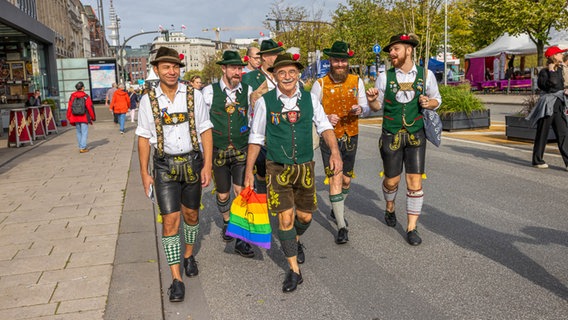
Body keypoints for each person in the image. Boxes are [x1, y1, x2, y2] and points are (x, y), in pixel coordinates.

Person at [244, 53, 342, 293]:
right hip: (277, 168)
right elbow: (256, 138)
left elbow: (325, 126)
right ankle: (293, 271)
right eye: (281, 72)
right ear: (275, 76)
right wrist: (248, 171)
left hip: (305, 167)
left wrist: (335, 152)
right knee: (285, 218)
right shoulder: (265, 102)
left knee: (305, 217)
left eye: (291, 72)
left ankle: (293, 241)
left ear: (298, 75)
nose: (287, 76)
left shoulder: (309, 99)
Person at [136, 46, 213, 302]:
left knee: (191, 214)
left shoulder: (194, 95)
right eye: (166, 67)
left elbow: (206, 130)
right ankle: (176, 279)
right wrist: (144, 173)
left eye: (175, 66)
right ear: (156, 70)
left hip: (192, 162)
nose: (172, 71)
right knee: (170, 221)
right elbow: (144, 138)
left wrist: (208, 165)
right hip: (164, 167)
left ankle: (189, 254)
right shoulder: (148, 99)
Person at [366, 33, 442, 246]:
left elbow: (438, 99)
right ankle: (390, 206)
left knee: (414, 182)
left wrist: (430, 103)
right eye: (390, 50)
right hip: (391, 135)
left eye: (395, 49)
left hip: (416, 135)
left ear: (409, 50)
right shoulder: (384, 77)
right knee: (392, 180)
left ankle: (411, 227)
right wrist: (372, 101)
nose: (391, 53)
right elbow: (376, 107)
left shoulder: (426, 75)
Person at [310, 41, 370, 244]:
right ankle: (342, 227)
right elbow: (311, 112)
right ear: (330, 61)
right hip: (330, 137)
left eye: (343, 60)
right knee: (335, 177)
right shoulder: (320, 84)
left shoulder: (356, 81)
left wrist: (360, 110)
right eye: (336, 60)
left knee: (346, 180)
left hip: (352, 134)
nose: (340, 64)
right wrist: (326, 116)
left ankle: (337, 209)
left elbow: (365, 106)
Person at [201, 50, 255, 258]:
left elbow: (252, 117)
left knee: (241, 191)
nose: (237, 72)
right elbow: (202, 123)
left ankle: (241, 238)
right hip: (218, 151)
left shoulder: (247, 90)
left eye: (240, 68)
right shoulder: (208, 92)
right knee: (223, 194)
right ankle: (226, 221)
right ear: (223, 69)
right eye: (233, 68)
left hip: (241, 149)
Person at [242, 39, 285, 195]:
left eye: (278, 54)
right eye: (273, 54)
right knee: (261, 171)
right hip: (260, 131)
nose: (276, 57)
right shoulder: (250, 78)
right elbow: (243, 105)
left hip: (281, 131)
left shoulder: (283, 75)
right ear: (264, 57)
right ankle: (262, 200)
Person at [526, 46, 568, 170]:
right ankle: (537, 160)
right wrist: (551, 71)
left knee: (564, 133)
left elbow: (560, 86)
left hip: (558, 105)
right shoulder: (544, 72)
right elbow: (552, 85)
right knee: (542, 133)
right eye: (560, 54)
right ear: (554, 56)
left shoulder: (560, 70)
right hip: (548, 105)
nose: (562, 55)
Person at [66, 81, 96, 153]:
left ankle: (80, 146)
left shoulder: (72, 96)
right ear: (82, 88)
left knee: (78, 132)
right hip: (84, 117)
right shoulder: (86, 96)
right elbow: (90, 107)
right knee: (84, 132)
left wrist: (68, 116)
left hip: (75, 116)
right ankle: (82, 147)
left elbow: (70, 107)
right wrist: (93, 116)